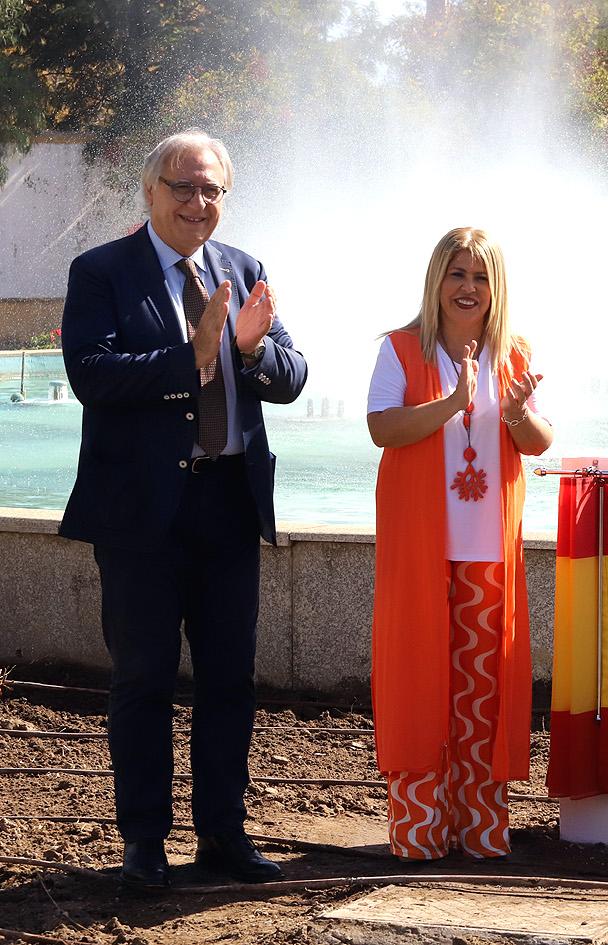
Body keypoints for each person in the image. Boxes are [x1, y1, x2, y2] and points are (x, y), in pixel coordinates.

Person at [59, 129, 308, 888]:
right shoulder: (102, 269)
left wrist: (246, 351)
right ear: (151, 190)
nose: (198, 204)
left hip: (228, 503)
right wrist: (193, 355)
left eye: (212, 191)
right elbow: (91, 373)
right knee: (143, 678)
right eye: (183, 187)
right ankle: (144, 842)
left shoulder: (245, 268)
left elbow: (293, 374)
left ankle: (223, 835)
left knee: (231, 680)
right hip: (141, 513)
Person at [367, 227, 552, 861]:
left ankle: (479, 830)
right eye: (456, 275)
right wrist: (452, 403)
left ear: (494, 288)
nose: (467, 288)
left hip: (488, 553)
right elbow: (382, 429)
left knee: (483, 689)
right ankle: (419, 830)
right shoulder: (398, 349)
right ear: (436, 283)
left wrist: (514, 413)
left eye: (479, 277)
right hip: (419, 550)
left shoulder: (514, 352)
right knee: (419, 681)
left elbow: (536, 442)